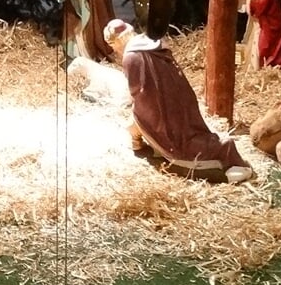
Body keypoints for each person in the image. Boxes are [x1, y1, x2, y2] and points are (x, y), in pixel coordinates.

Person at [104, 20, 254, 185]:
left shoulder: (131, 56)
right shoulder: (151, 44)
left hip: (162, 110)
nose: (115, 50)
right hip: (181, 100)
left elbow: (138, 93)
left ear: (118, 41)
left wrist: (138, 108)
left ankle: (223, 155)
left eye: (112, 45)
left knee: (178, 142)